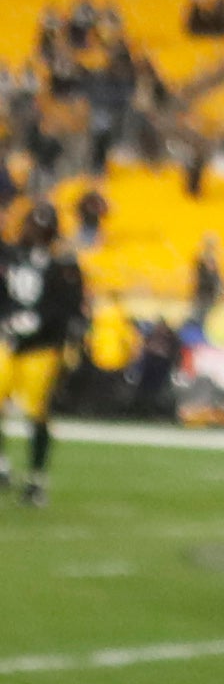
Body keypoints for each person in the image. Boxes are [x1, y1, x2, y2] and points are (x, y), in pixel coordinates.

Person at [2, 202, 82, 507]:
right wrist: (8, 319)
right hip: (10, 341)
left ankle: (36, 479)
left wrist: (40, 323)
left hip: (43, 347)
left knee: (35, 410)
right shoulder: (11, 256)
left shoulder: (63, 264)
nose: (35, 232)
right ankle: (2, 465)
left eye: (41, 227)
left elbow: (69, 306)